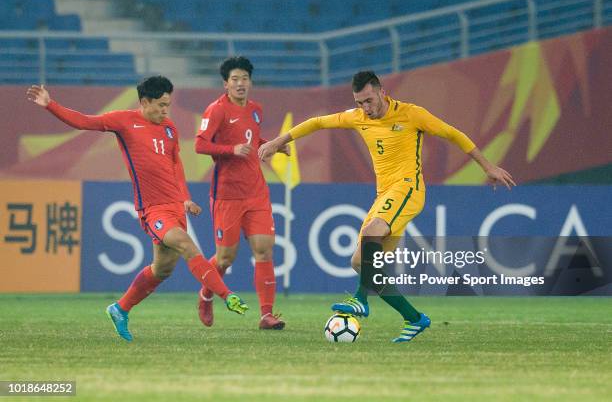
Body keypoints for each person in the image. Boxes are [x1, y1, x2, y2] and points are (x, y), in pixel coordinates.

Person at [259, 71, 515, 343]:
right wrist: (278, 141)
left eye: (369, 100)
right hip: (384, 195)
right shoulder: (358, 117)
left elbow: (453, 134)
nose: (365, 109)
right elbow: (317, 123)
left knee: (371, 232)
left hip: (409, 189)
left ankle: (360, 299)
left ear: (381, 91)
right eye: (359, 103)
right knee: (363, 264)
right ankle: (414, 318)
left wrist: (488, 166)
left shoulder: (411, 114)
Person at [26, 76, 248, 342]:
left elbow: (175, 164)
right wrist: (51, 105)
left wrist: (185, 198)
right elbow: (84, 121)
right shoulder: (123, 120)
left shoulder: (169, 128)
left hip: (175, 206)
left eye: (168, 104)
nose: (166, 110)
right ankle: (227, 295)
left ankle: (120, 308)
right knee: (187, 246)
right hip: (153, 209)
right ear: (144, 102)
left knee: (162, 269)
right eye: (161, 105)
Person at [194, 56, 288, 330]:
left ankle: (266, 315)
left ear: (251, 82)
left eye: (244, 79)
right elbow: (200, 145)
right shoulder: (216, 110)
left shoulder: (256, 110)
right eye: (234, 79)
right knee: (225, 258)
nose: (240, 84)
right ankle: (206, 294)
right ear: (225, 83)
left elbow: (251, 138)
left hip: (256, 192)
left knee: (264, 250)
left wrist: (271, 145)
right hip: (227, 195)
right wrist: (230, 150)